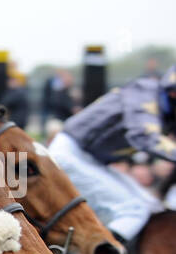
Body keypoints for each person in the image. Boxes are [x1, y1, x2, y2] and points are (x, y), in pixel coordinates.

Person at [48, 65, 176, 243]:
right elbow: (144, 136)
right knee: (133, 210)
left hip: (91, 160)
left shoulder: (168, 108)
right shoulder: (145, 91)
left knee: (152, 206)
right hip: (70, 153)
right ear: (173, 93)